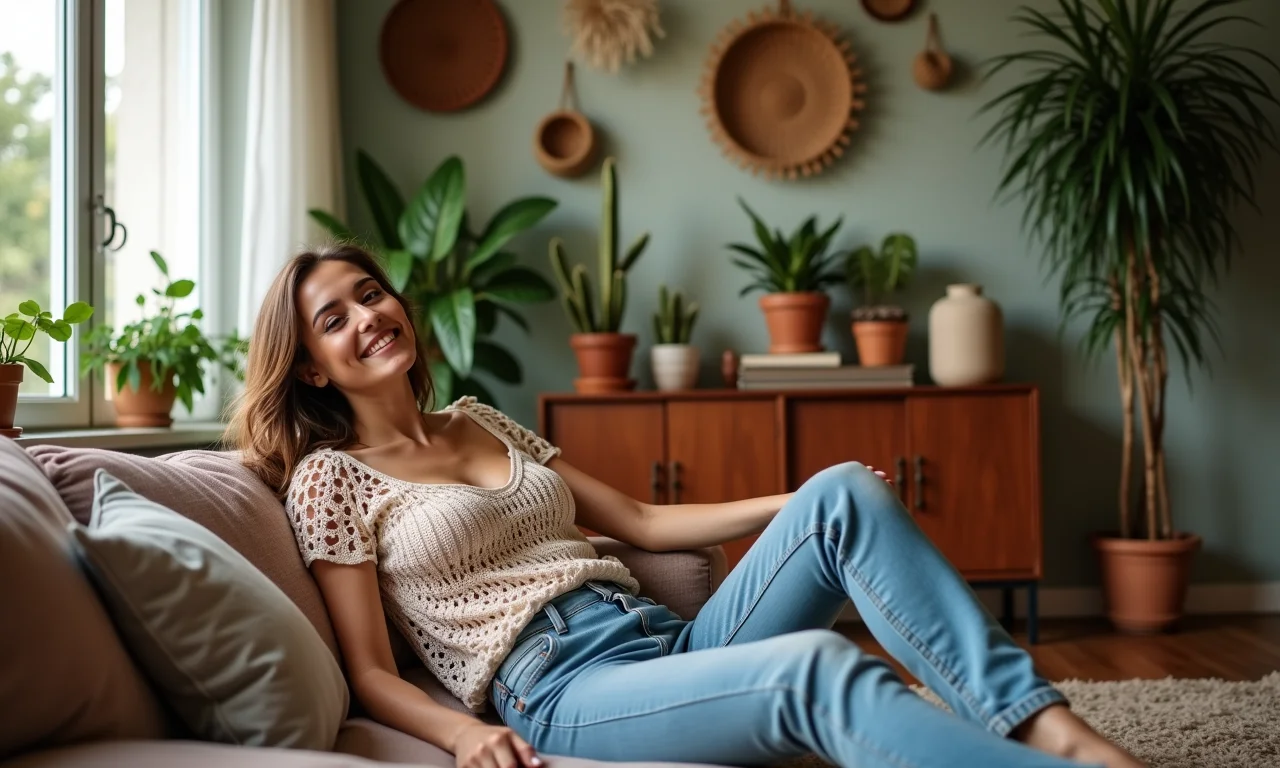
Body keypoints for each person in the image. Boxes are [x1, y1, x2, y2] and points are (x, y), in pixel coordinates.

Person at [229, 244, 1144, 768]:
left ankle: (1053, 732)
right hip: (562, 689)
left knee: (844, 494)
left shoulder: (478, 420)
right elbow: (369, 670)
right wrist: (468, 735)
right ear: (311, 364)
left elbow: (641, 521)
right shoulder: (330, 479)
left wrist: (807, 501)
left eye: (370, 293)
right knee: (820, 670)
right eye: (334, 319)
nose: (368, 318)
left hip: (659, 635)